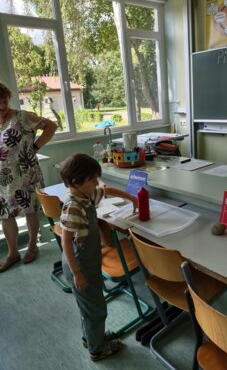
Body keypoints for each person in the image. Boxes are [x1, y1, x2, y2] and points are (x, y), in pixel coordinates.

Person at [59, 153, 138, 361]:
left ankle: (91, 337)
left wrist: (131, 198)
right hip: (79, 266)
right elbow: (66, 242)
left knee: (88, 307)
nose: (96, 184)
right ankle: (97, 349)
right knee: (96, 309)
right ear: (76, 182)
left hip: (87, 264)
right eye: (92, 180)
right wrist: (77, 273)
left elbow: (106, 191)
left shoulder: (86, 195)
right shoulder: (73, 207)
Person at [0, 82, 57, 272]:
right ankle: (12, 253)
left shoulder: (22, 117)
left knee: (30, 209)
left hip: (25, 173)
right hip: (2, 177)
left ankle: (33, 246)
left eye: (4, 101)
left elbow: (51, 126)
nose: (1, 106)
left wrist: (35, 147)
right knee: (5, 213)